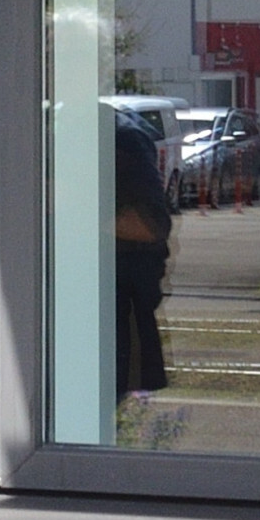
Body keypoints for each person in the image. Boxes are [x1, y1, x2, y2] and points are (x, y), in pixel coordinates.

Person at [113, 102, 174, 404]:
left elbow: (151, 226)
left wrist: (69, 208)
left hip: (114, 311)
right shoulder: (120, 134)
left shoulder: (122, 140)